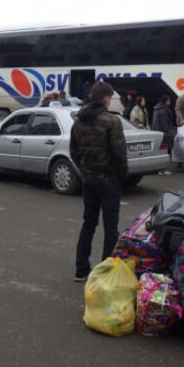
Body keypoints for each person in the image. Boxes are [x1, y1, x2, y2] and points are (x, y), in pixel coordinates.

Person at [70, 81, 128, 282]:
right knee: (111, 227)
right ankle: (104, 273)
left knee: (88, 223)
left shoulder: (78, 122)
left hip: (89, 182)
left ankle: (81, 269)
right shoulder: (111, 121)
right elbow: (119, 153)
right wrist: (122, 175)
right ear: (104, 98)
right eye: (109, 97)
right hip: (109, 182)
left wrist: (86, 170)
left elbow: (74, 152)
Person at [152, 95, 176, 176]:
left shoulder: (156, 108)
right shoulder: (164, 110)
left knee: (159, 151)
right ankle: (163, 169)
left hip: (157, 132)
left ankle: (158, 168)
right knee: (166, 151)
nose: (170, 102)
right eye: (168, 101)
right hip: (164, 133)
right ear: (165, 101)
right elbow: (165, 123)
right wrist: (169, 134)